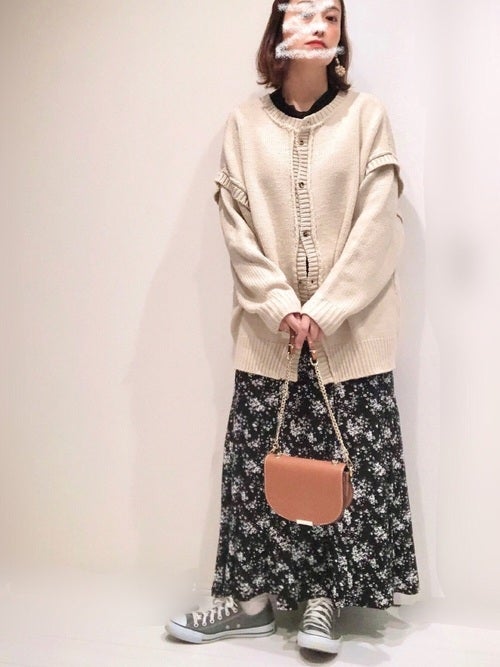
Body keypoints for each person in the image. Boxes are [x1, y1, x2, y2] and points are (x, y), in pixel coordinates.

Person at [166, 0, 420, 655]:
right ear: (276, 28)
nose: (317, 26)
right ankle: (249, 601)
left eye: (330, 16)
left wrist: (326, 309)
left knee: (338, 471)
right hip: (270, 336)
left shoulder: (366, 117)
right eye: (302, 13)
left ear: (341, 33)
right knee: (256, 468)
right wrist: (282, 305)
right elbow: (239, 230)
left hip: (350, 337)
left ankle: (322, 601)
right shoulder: (244, 125)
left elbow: (379, 225)